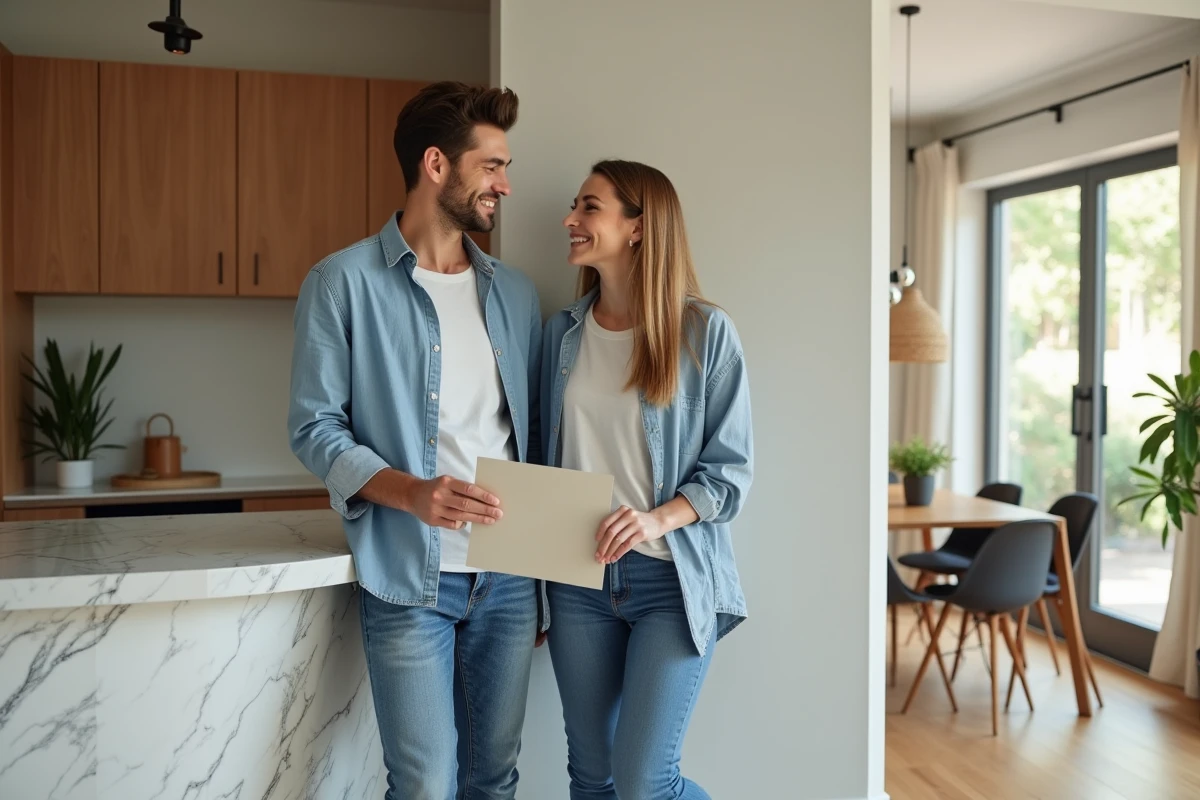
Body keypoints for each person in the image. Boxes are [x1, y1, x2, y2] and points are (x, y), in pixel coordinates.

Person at [287, 81, 543, 800]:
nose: (506, 184)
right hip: (408, 578)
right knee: (426, 784)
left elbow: (534, 438)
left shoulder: (514, 294)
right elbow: (312, 426)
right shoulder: (342, 283)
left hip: (510, 577)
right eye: (492, 166)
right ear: (437, 165)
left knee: (492, 779)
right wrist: (411, 493)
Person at [539, 160, 754, 800]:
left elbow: (731, 475)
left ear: (638, 227)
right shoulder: (560, 335)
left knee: (642, 782)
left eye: (589, 207)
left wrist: (655, 518)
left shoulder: (704, 334)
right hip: (577, 580)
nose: (570, 220)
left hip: (672, 581)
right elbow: (535, 457)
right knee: (592, 776)